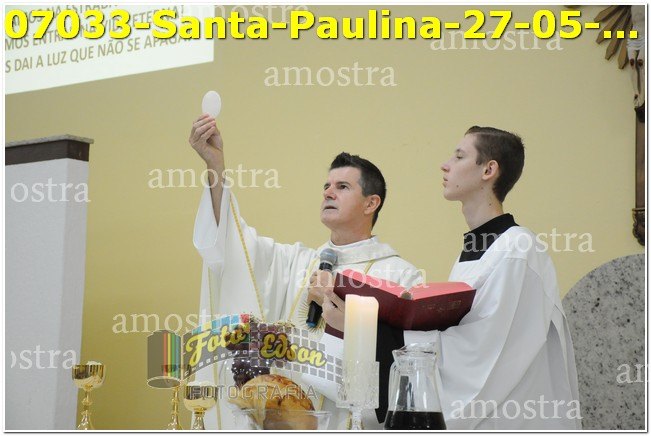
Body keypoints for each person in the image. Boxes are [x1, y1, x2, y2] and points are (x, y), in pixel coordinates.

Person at [326, 126, 582, 429]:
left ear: (488, 170)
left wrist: (363, 327)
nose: (445, 165)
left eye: (459, 156)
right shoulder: (474, 252)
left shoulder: (518, 249)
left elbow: (481, 354)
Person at [188, 114, 423, 429]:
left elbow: (408, 368)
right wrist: (216, 167)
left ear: (371, 204)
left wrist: (351, 323)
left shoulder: (400, 276)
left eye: (342, 187)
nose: (328, 193)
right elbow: (234, 244)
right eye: (326, 186)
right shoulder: (297, 263)